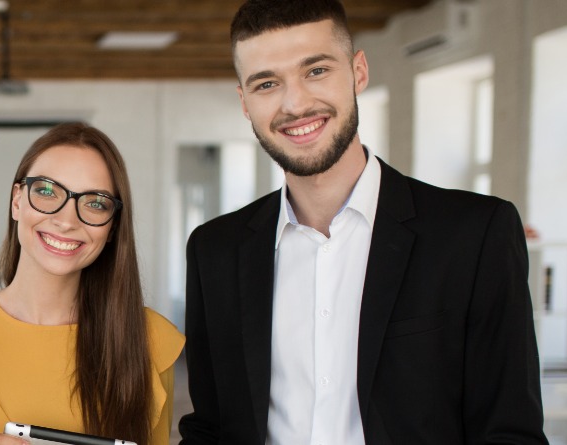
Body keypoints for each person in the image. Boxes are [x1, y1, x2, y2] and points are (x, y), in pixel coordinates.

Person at [177, 0, 547, 443]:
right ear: (244, 102)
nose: (295, 103)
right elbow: (212, 427)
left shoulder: (475, 234)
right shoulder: (214, 249)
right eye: (267, 83)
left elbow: (510, 432)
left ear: (358, 72)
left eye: (316, 71)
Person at [0, 123, 184, 445]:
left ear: (113, 227)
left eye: (95, 203)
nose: (66, 221)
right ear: (17, 200)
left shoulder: (152, 340)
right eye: (46, 191)